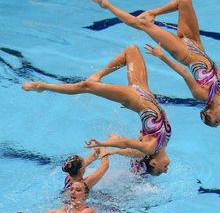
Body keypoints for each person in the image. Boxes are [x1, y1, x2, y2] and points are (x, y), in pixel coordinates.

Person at [22, 44, 171, 176]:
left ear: (153, 163)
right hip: (145, 92)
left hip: (135, 98)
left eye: (160, 171)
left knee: (86, 86)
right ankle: (97, 75)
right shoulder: (162, 143)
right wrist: (114, 148)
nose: (166, 171)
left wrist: (105, 144)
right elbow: (134, 150)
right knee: (132, 50)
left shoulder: (150, 147)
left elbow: (127, 143)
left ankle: (43, 86)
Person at [89, 0, 220, 127]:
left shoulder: (202, 95)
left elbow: (183, 72)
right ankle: (153, 12)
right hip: (197, 45)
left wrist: (162, 56)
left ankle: (106, 5)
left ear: (208, 112)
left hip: (184, 53)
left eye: (216, 121)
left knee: (143, 25)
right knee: (184, 0)